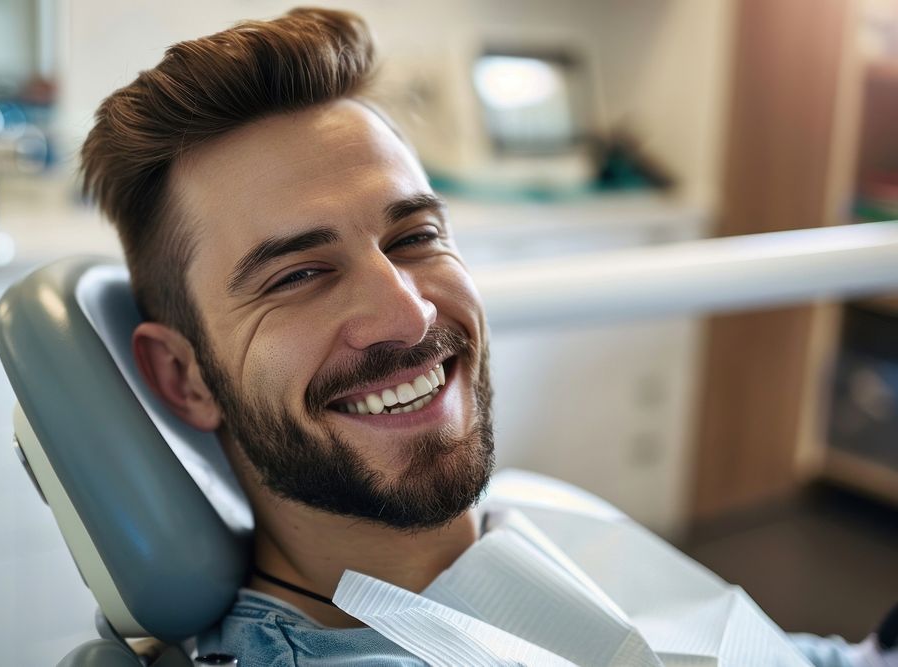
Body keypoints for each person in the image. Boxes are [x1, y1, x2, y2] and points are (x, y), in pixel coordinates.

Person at [79, 8, 896, 666]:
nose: (409, 314)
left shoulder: (521, 514)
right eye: (297, 276)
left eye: (413, 238)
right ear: (184, 377)